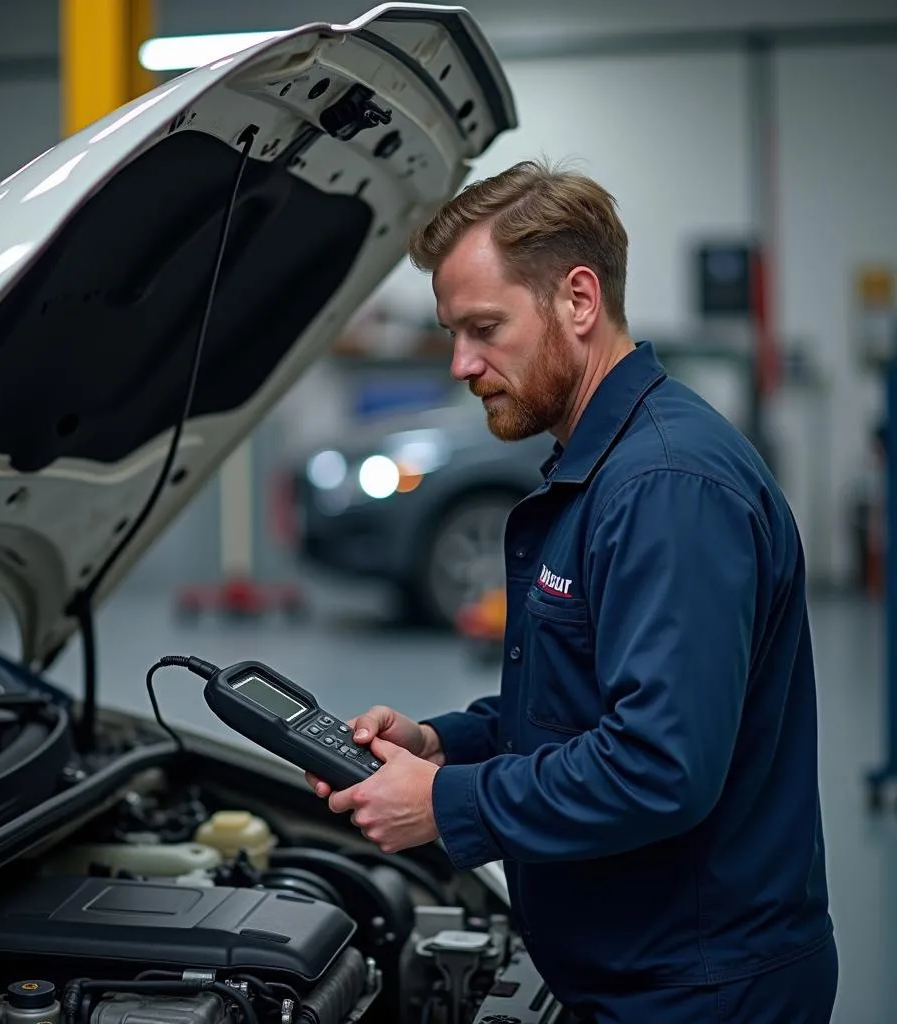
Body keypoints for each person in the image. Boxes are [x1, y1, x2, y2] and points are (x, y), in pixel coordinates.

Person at [305, 161, 837, 1023]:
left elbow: (658, 767)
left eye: (483, 328)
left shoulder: (666, 486)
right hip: (645, 971)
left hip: (700, 991)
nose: (460, 363)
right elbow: (588, 700)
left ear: (578, 301)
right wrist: (447, 743)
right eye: (453, 332)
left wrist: (445, 805)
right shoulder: (608, 462)